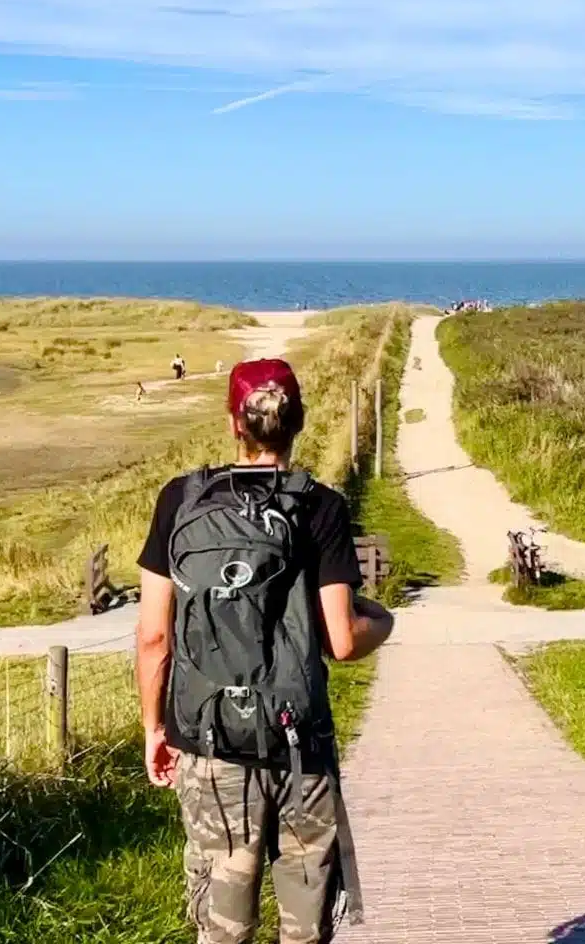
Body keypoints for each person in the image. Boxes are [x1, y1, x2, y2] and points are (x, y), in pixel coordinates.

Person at [135, 358, 394, 944]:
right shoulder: (320, 507)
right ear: (296, 422)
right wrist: (386, 620)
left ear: (235, 424)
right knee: (305, 928)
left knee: (223, 927)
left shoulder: (180, 500)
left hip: (209, 744)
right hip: (301, 747)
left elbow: (154, 636)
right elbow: (344, 640)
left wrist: (155, 727)